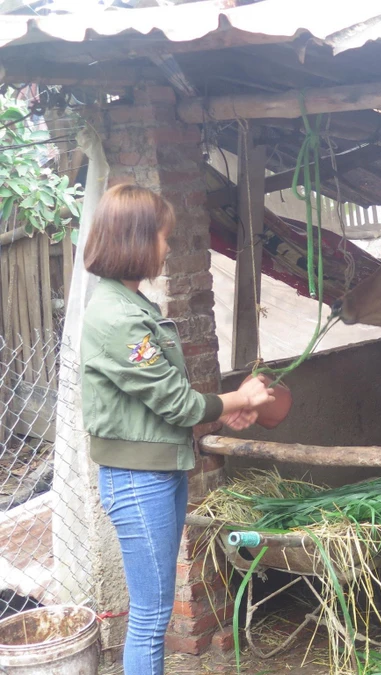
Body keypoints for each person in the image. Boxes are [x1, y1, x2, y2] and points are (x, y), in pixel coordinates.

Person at [79, 183, 275, 674]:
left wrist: (221, 408)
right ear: (136, 241)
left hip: (157, 470)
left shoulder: (133, 306)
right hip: (136, 478)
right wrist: (239, 398)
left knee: (156, 608)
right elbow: (174, 402)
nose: (167, 248)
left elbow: (164, 397)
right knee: (149, 617)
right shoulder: (117, 318)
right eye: (162, 238)